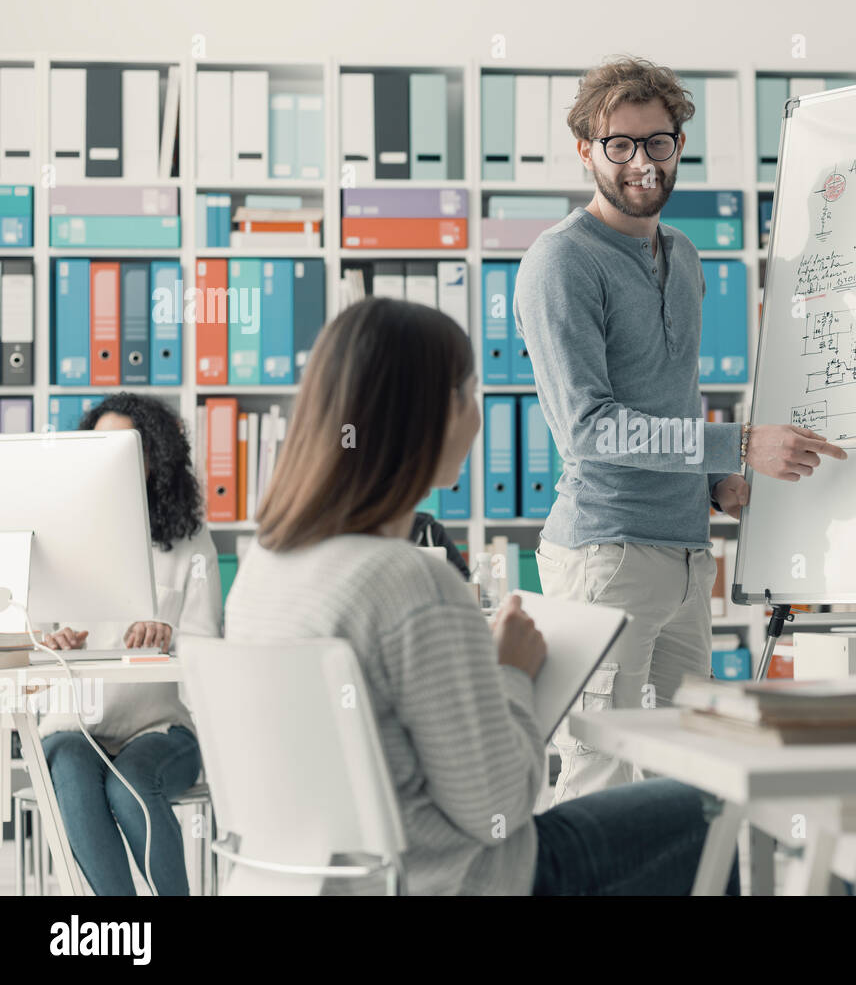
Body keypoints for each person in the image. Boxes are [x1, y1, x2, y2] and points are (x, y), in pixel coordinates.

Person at [224, 297, 739, 895]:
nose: (477, 414)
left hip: (321, 881)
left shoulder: (264, 567)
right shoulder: (409, 582)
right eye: (468, 392)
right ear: (426, 415)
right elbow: (501, 806)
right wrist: (513, 674)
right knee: (708, 805)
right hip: (464, 880)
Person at [515, 55, 847, 802]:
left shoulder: (687, 255)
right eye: (620, 145)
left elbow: (672, 399)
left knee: (686, 781)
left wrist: (718, 482)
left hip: (689, 559)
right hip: (605, 556)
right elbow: (591, 430)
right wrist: (739, 444)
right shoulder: (560, 262)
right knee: (600, 777)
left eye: (657, 143)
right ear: (586, 151)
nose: (641, 162)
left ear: (678, 146)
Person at [38, 392, 222, 896]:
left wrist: (171, 635)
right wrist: (48, 640)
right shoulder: (57, 536)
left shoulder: (187, 542)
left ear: (154, 460)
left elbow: (208, 646)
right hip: (73, 725)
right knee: (73, 770)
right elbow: (24, 634)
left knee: (131, 786)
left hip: (160, 729)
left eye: (127, 449)